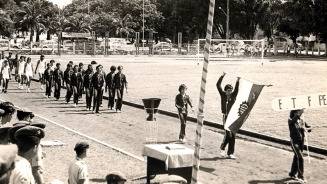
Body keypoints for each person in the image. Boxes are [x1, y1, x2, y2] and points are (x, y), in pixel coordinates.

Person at [216, 72, 240, 159]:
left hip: (233, 118)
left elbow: (237, 89)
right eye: (228, 90)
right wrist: (222, 75)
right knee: (228, 135)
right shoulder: (223, 95)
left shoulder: (233, 96)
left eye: (231, 90)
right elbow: (218, 85)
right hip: (226, 117)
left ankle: (230, 153)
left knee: (233, 135)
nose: (229, 92)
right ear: (225, 90)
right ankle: (222, 148)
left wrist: (238, 80)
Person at [288, 109, 311, 183]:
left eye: (299, 112)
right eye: (297, 112)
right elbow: (293, 121)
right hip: (294, 142)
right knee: (300, 158)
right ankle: (300, 176)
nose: (299, 113)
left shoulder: (301, 120)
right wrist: (300, 112)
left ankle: (292, 173)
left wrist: (308, 128)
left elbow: (307, 127)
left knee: (296, 157)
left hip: (301, 141)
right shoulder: (290, 120)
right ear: (294, 113)